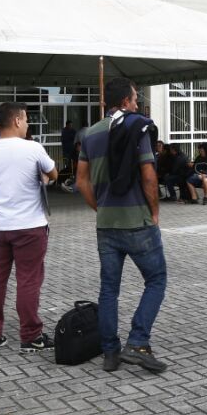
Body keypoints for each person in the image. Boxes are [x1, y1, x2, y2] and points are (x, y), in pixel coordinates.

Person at [76, 77, 168, 373]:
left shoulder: (90, 133)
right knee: (156, 279)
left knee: (108, 289)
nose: (138, 105)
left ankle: (110, 353)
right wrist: (154, 213)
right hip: (137, 221)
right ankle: (138, 342)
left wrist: (100, 208)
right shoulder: (136, 127)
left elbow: (81, 181)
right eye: (135, 99)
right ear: (125, 102)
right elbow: (148, 175)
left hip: (106, 225)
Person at [0, 101, 58, 353]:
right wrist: (42, 178)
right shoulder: (32, 147)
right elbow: (53, 173)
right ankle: (31, 336)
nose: (27, 125)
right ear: (16, 120)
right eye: (25, 120)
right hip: (29, 225)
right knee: (28, 280)